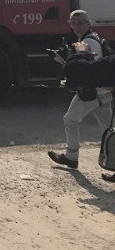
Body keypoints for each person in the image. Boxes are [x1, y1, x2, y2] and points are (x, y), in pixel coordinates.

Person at [47, 9, 113, 170]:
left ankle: (71, 157)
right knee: (109, 131)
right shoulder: (92, 38)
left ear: (88, 24)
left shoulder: (88, 43)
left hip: (92, 92)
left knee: (70, 120)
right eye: (73, 23)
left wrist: (65, 64)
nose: (77, 26)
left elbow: (89, 70)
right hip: (103, 93)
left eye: (81, 23)